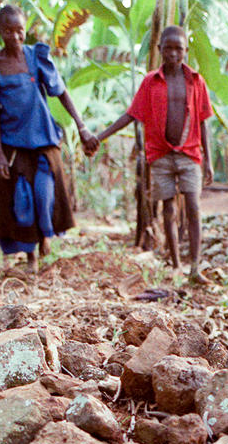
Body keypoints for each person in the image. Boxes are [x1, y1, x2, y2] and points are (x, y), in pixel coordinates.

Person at [0, 5, 97, 270]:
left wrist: (81, 126)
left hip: (44, 141)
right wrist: (0, 154)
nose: (15, 37)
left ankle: (46, 236)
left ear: (24, 30)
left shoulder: (36, 57)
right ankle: (31, 256)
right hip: (13, 145)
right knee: (22, 202)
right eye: (8, 31)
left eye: (19, 30)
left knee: (44, 195)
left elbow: (60, 91)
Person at [89, 25, 214, 282]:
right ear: (159, 50)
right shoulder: (150, 82)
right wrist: (99, 137)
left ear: (186, 51)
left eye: (178, 48)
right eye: (168, 48)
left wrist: (209, 160)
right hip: (160, 155)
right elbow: (130, 115)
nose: (173, 53)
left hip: (190, 154)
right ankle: (176, 265)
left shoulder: (195, 81)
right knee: (167, 207)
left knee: (193, 206)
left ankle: (195, 267)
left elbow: (203, 121)